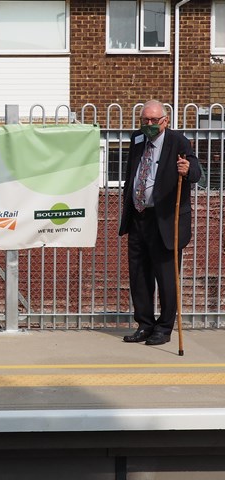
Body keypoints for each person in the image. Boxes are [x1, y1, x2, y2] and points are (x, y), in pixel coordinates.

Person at [119, 100, 201, 346]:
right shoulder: (136, 139)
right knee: (139, 276)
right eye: (146, 120)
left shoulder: (178, 141)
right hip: (138, 217)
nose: (150, 124)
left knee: (166, 278)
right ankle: (145, 324)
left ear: (165, 120)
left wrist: (187, 170)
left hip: (165, 219)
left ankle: (164, 328)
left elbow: (196, 171)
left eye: (155, 120)